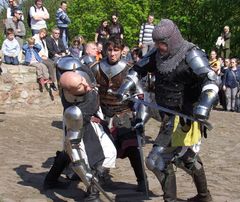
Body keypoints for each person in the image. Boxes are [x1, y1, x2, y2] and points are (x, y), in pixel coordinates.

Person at [117, 19, 219, 202]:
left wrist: (203, 106)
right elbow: (137, 69)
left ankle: (175, 199)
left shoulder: (190, 53)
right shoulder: (157, 53)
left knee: (157, 160)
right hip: (168, 116)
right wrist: (125, 87)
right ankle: (204, 197)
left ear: (173, 39)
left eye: (162, 43)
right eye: (157, 43)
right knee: (183, 158)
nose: (159, 47)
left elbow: (211, 79)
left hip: (186, 117)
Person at [44, 56, 116, 202]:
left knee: (67, 150)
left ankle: (50, 180)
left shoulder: (78, 72)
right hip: (78, 121)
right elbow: (75, 152)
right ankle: (92, 192)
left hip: (86, 118)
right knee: (88, 153)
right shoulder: (74, 106)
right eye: (81, 85)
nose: (87, 85)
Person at [91, 37, 148, 192]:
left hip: (124, 114)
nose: (112, 53)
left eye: (116, 50)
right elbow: (89, 92)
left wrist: (140, 120)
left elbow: (142, 97)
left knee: (131, 149)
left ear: (122, 50)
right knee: (99, 149)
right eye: (109, 50)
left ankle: (142, 180)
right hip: (102, 115)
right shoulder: (96, 68)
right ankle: (97, 179)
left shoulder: (130, 70)